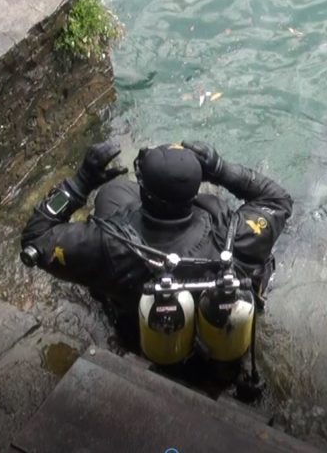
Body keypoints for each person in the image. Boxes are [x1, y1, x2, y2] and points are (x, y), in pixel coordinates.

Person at [20, 140, 293, 354]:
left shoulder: (106, 243)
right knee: (115, 194)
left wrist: (79, 183)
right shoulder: (234, 233)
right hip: (219, 327)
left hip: (144, 335)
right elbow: (278, 199)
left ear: (144, 189)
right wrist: (221, 169)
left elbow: (36, 238)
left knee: (111, 194)